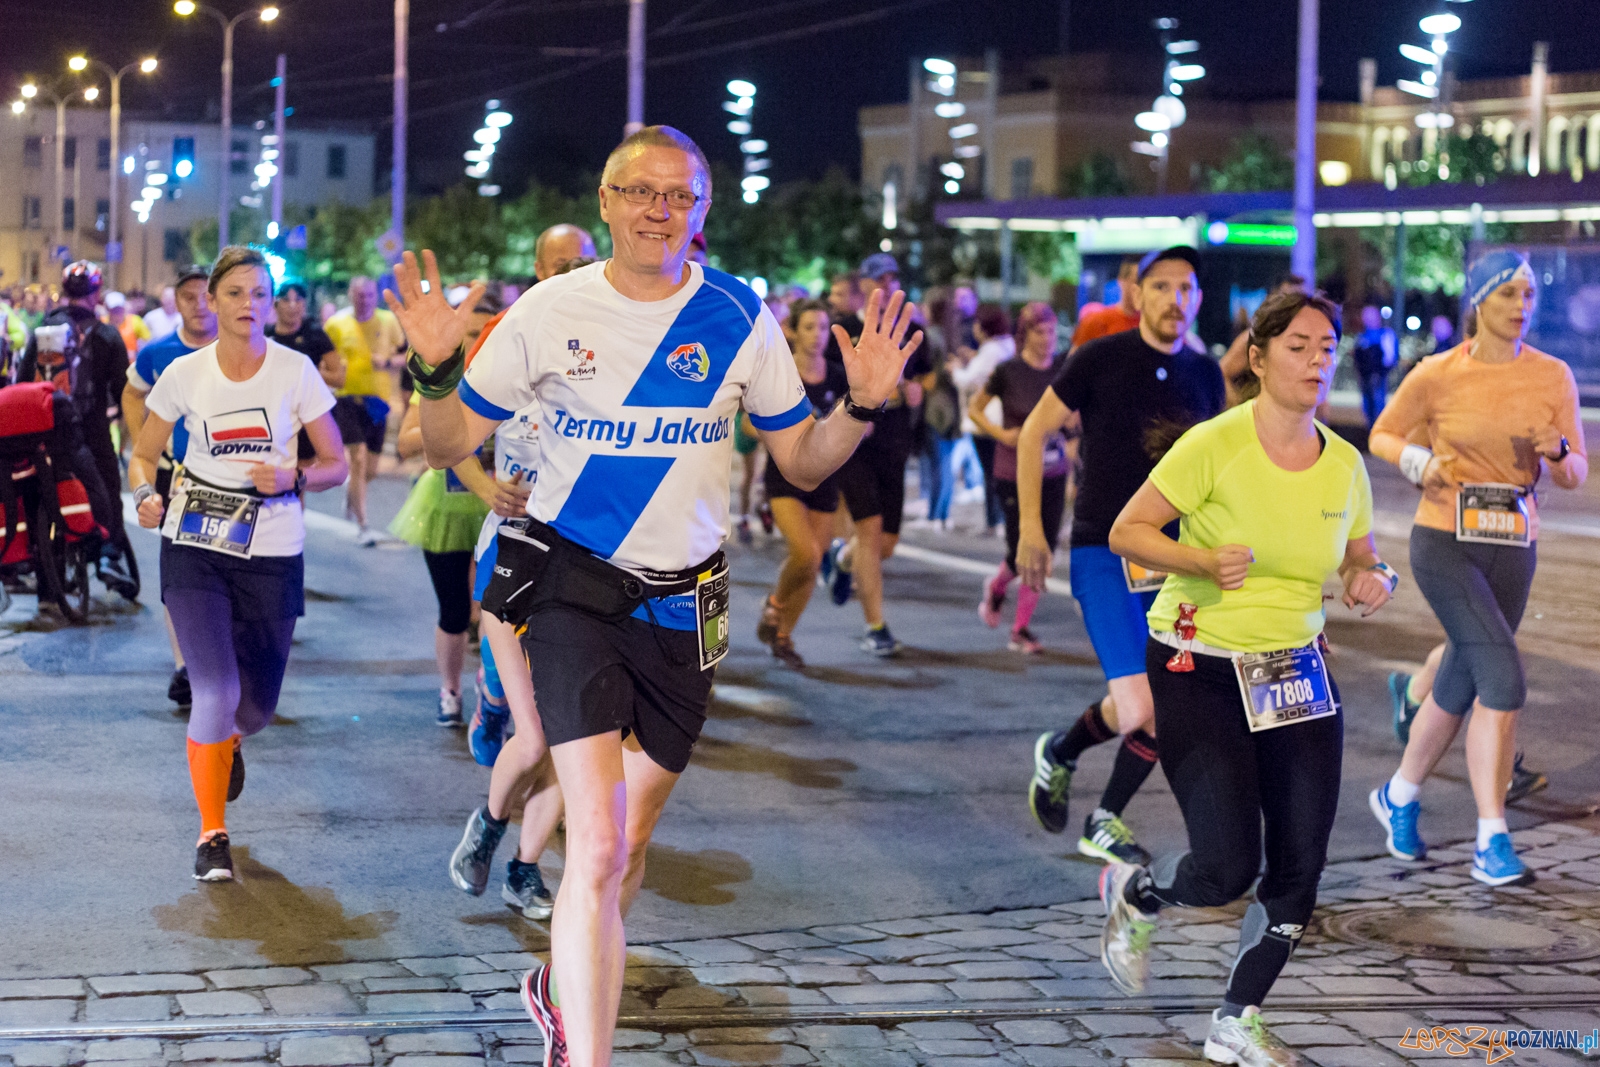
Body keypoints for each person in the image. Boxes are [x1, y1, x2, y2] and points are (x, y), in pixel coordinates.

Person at [395, 125, 922, 1067]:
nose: (657, 210)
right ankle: (584, 1055)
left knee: (625, 849)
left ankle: (562, 987)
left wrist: (864, 405)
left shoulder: (739, 315)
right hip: (571, 591)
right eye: (639, 192)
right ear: (605, 202)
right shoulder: (550, 309)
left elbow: (800, 456)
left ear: (702, 210)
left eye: (678, 196)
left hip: (687, 605)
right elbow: (442, 445)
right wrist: (436, 367)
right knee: (593, 846)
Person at [1096, 289, 1393, 1066]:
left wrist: (1374, 576)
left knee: (1300, 862)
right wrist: (1199, 560)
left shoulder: (1345, 464)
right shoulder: (1214, 443)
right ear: (1257, 359)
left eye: (1327, 346)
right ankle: (1140, 894)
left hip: (1293, 669)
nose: (1317, 360)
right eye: (1298, 345)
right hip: (1199, 662)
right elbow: (1126, 530)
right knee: (1226, 865)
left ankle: (1237, 1017)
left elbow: (1362, 555)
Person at [127, 246, 348, 881]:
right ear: (213, 302)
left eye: (260, 294)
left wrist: (293, 475)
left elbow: (336, 464)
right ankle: (211, 835)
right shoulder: (184, 374)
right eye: (235, 293)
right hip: (195, 543)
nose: (249, 305)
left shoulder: (296, 370)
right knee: (215, 690)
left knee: (253, 708)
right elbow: (143, 455)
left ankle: (230, 742)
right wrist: (146, 494)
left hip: (273, 551)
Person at [1367, 250, 1586, 887]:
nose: (1522, 307)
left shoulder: (1553, 376)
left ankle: (1400, 795)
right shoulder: (1436, 374)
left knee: (1459, 683)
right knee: (1503, 678)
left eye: (1528, 296)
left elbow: (1575, 475)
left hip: (1514, 545)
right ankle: (1492, 837)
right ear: (1479, 302)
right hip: (1445, 543)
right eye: (1508, 295)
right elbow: (1383, 434)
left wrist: (1561, 452)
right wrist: (1419, 464)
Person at [1017, 246, 1224, 867]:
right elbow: (1034, 433)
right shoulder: (1099, 358)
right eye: (1160, 287)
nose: (1174, 299)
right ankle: (1064, 755)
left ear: (1198, 298)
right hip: (1103, 551)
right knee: (1142, 704)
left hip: (1173, 560)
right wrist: (1033, 527)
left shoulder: (1206, 373)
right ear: (1137, 294)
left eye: (1185, 288)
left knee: (1166, 700)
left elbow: (1213, 473)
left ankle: (1099, 811)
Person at [124, 264, 220, 708]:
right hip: (173, 472)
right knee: (179, 574)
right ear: (176, 302)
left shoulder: (239, 348)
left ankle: (222, 663)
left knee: (225, 569)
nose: (198, 304)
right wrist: (143, 440)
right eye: (188, 297)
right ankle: (185, 666)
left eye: (206, 294)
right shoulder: (159, 352)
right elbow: (132, 392)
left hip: (228, 478)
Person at [18, 261, 137, 596]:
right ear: (96, 293)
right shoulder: (108, 335)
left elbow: (24, 380)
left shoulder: (44, 332)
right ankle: (108, 555)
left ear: (65, 292)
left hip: (47, 428)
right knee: (108, 486)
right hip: (92, 426)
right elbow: (123, 389)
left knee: (44, 492)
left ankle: (47, 568)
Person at [825, 289, 932, 657]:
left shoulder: (912, 329)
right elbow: (828, 379)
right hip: (855, 440)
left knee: (885, 543)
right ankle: (876, 627)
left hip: (893, 440)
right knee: (868, 530)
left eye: (891, 278)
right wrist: (849, 408)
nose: (885, 285)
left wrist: (917, 389)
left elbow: (927, 377)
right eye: (877, 279)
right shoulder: (842, 328)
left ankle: (841, 560)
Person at [970, 303, 1069, 654]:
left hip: (1054, 471)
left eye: (1052, 332)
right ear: (1024, 334)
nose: (1047, 340)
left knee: (1044, 551)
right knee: (1019, 552)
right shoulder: (1008, 371)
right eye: (1040, 332)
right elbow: (974, 409)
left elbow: (1075, 412)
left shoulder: (1063, 368)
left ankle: (1021, 629)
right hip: (1012, 472)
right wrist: (1001, 434)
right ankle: (997, 587)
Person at [756, 299, 849, 667]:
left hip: (825, 478)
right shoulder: (779, 369)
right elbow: (749, 422)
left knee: (812, 563)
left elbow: (859, 420)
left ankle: (783, 635)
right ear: (793, 331)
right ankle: (775, 605)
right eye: (810, 327)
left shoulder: (839, 375)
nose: (818, 335)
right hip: (784, 475)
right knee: (806, 552)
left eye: (824, 327)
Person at [325, 276, 407, 544]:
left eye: (370, 295)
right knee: (357, 458)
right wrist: (333, 375)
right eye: (360, 295)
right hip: (346, 399)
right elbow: (322, 362)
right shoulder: (336, 324)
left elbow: (406, 356)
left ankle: (353, 490)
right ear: (351, 295)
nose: (365, 301)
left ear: (376, 296)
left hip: (378, 402)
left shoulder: (388, 321)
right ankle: (364, 525)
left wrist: (387, 362)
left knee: (370, 469)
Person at [950, 304, 1014, 534]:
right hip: (1002, 418)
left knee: (991, 472)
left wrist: (956, 369)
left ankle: (993, 520)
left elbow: (968, 380)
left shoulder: (991, 350)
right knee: (999, 471)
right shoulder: (1007, 346)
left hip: (986, 419)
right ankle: (999, 519)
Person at [1219, 276, 1305, 408]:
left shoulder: (1303, 343)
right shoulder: (1253, 337)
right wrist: (1239, 410)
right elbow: (1221, 373)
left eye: (1300, 302)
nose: (1293, 309)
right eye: (1288, 301)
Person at [1070, 255, 1142, 349]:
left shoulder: (1152, 325)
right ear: (1121, 281)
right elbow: (1074, 361)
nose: (1140, 287)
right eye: (1137, 281)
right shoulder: (1096, 321)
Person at [1351, 305, 1398, 426]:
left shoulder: (1385, 334)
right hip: (1365, 379)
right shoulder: (1361, 336)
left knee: (1378, 409)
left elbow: (1390, 358)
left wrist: (1381, 373)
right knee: (1368, 410)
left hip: (1378, 379)